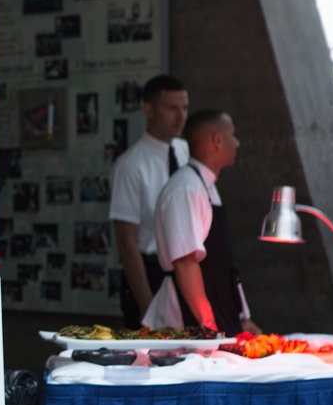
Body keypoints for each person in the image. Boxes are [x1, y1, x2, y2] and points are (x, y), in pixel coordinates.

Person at [142, 109, 262, 337]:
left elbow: (222, 264)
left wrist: (242, 318)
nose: (237, 143)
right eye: (232, 136)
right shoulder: (186, 189)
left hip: (219, 308)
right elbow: (186, 263)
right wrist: (209, 327)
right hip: (190, 320)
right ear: (217, 140)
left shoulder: (205, 185)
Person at [108, 74, 190, 329]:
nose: (180, 117)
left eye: (185, 108)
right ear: (148, 110)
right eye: (172, 108)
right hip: (151, 270)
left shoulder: (185, 151)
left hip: (186, 268)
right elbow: (126, 241)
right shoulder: (131, 166)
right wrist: (146, 302)